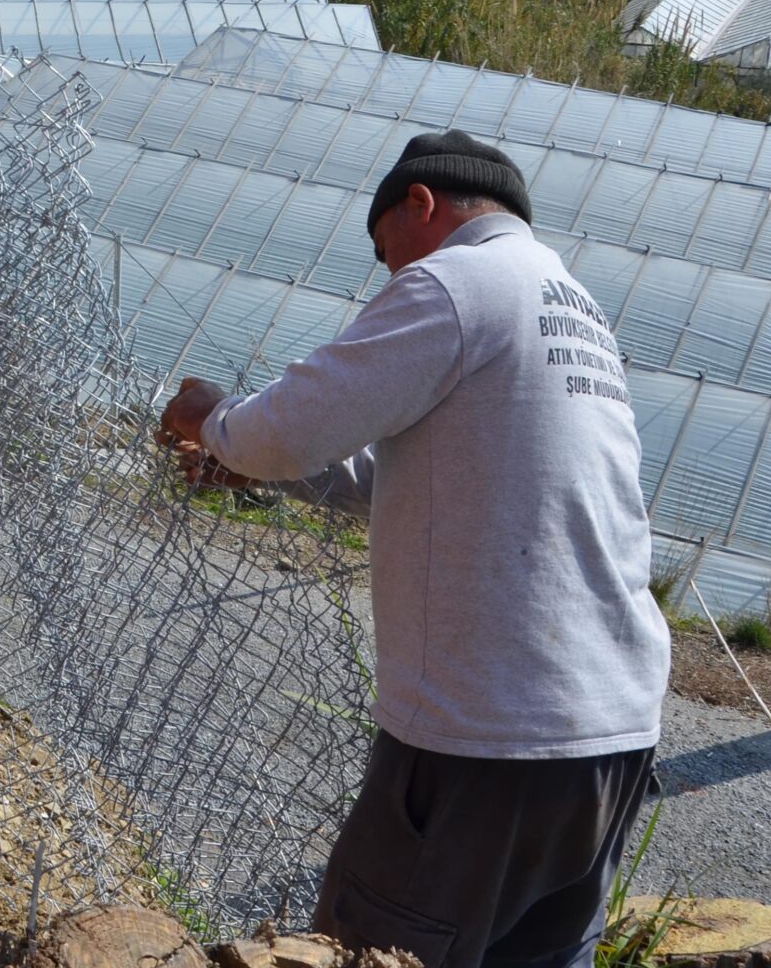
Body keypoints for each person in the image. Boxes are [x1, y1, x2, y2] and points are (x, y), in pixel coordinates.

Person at [157, 131, 668, 968]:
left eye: (385, 253)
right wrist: (252, 470)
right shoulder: (572, 305)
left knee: (367, 950)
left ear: (421, 206)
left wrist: (213, 418)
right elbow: (388, 471)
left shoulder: (454, 281)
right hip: (608, 740)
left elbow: (291, 427)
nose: (389, 275)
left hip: (490, 741)